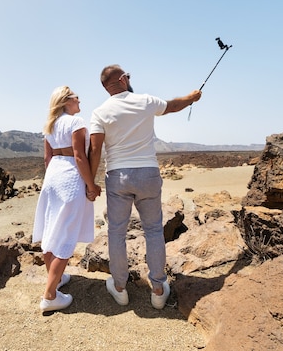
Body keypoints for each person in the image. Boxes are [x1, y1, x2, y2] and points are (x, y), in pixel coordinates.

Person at [89, 64, 202, 309]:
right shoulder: (145, 100)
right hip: (148, 174)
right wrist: (192, 98)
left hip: (118, 175)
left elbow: (95, 149)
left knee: (116, 232)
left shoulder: (99, 112)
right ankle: (159, 289)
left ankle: (119, 288)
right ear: (122, 79)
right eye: (128, 76)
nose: (130, 79)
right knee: (153, 231)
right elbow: (172, 106)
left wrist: (91, 182)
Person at [33, 85, 102, 312]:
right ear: (65, 101)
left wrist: (52, 179)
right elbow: (80, 155)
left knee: (51, 226)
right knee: (66, 233)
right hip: (70, 176)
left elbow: (47, 158)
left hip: (52, 177)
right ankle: (50, 296)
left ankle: (56, 277)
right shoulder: (76, 122)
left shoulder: (49, 126)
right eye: (75, 96)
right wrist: (91, 185)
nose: (79, 98)